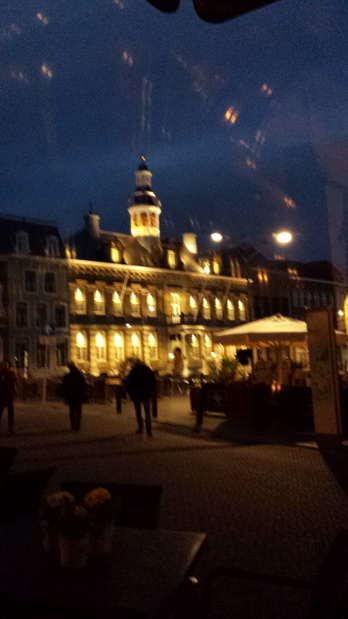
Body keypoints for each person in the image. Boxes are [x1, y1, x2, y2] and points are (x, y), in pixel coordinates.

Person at [125, 360, 156, 436]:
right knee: (147, 412)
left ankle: (140, 428)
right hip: (146, 394)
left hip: (137, 395)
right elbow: (153, 381)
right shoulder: (147, 370)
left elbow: (129, 384)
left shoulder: (133, 371)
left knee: (138, 411)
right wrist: (152, 391)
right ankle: (149, 430)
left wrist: (130, 394)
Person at [62, 362, 87, 431]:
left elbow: (65, 387)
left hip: (71, 396)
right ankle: (77, 425)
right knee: (78, 411)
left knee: (72, 411)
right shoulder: (79, 375)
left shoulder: (68, 376)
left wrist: (65, 397)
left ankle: (73, 425)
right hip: (78, 396)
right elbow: (83, 386)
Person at [0, 360, 17, 434]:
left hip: (9, 395)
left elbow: (14, 383)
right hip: (1, 395)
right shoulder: (0, 373)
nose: (5, 366)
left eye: (6, 364)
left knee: (11, 412)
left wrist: (15, 391)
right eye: (4, 364)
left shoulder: (11, 373)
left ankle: (10, 428)